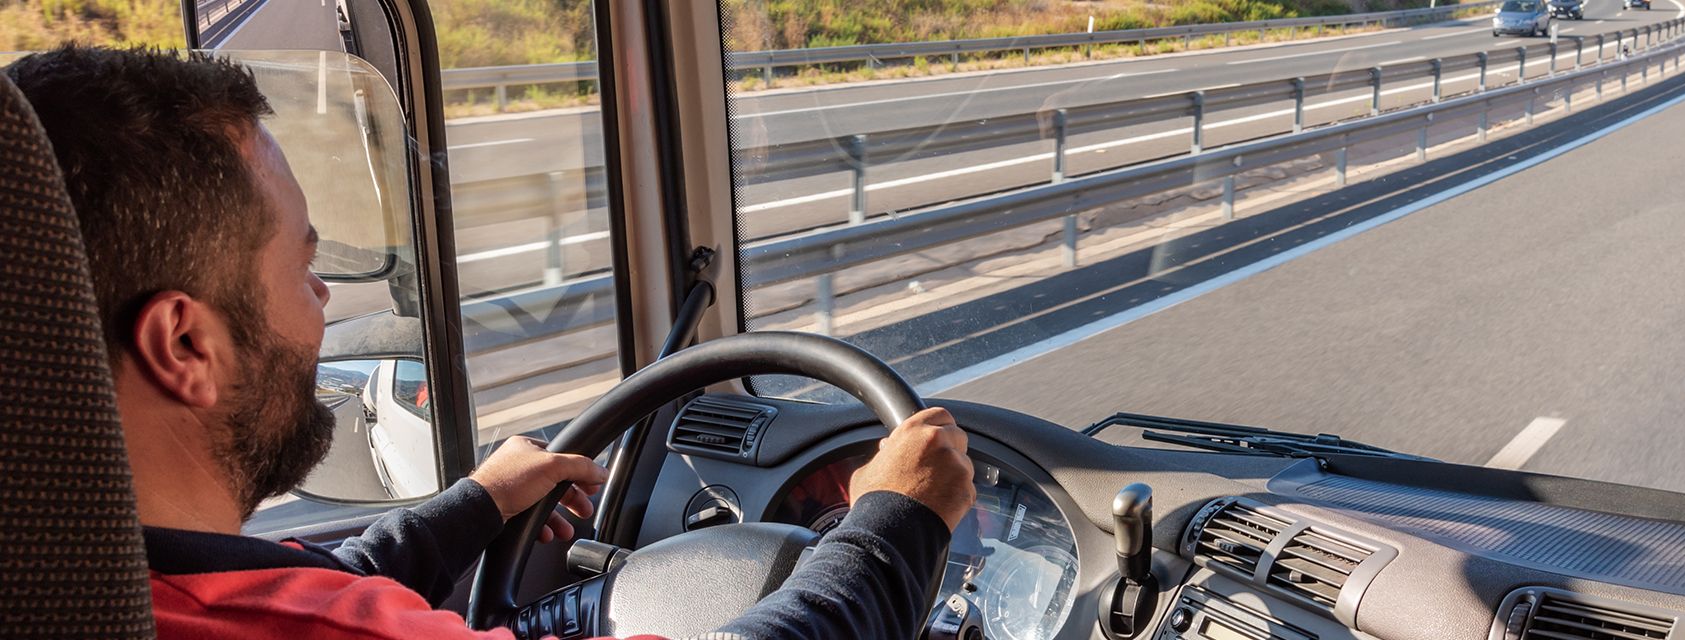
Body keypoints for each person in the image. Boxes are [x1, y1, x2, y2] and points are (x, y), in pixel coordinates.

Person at [6, 45, 975, 639]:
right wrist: (892, 525)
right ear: (184, 345)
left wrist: (473, 505)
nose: (326, 302)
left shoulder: (89, 581)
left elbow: (303, 587)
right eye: (304, 268)